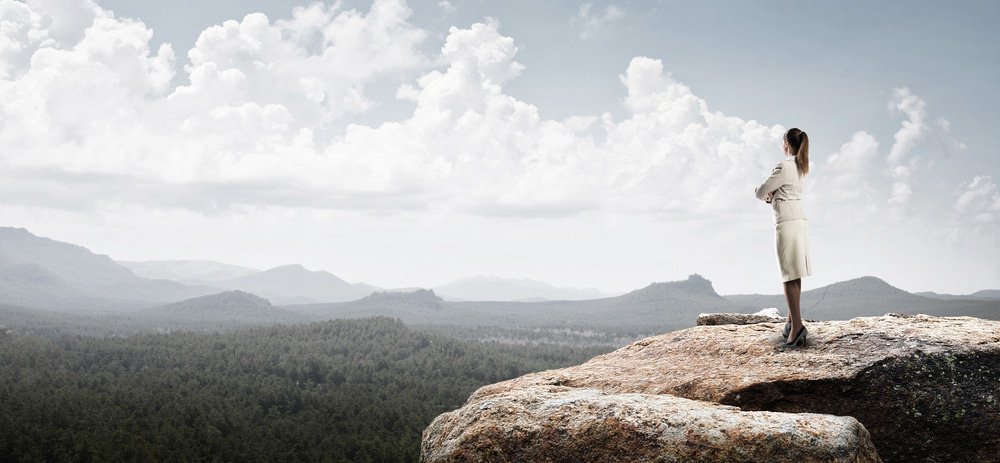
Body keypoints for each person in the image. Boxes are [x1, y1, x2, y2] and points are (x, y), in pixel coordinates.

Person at [754, 127, 812, 348]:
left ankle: (797, 327)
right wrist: (774, 196)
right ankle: (791, 320)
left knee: (788, 275)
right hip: (800, 221)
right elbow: (786, 192)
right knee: (796, 272)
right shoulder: (801, 167)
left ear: (786, 143)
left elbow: (761, 191)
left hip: (786, 222)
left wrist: (767, 195)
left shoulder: (784, 166)